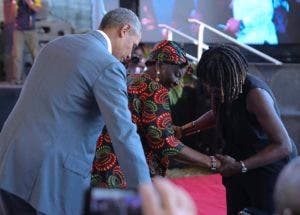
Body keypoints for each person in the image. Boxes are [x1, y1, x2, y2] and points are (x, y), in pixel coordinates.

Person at [0, 8, 152, 215]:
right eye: (132, 46)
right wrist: (146, 193)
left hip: (10, 160)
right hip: (51, 179)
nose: (128, 55)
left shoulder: (55, 45)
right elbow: (123, 133)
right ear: (124, 30)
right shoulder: (108, 66)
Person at [175, 45, 295, 214]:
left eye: (214, 85)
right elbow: (215, 115)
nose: (210, 89)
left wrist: (241, 166)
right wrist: (184, 130)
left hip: (266, 168)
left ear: (228, 77)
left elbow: (283, 146)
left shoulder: (256, 95)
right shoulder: (221, 89)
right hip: (236, 164)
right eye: (208, 84)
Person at [91, 40, 220, 189]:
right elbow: (165, 143)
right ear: (159, 65)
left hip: (103, 164)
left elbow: (139, 124)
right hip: (126, 174)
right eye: (177, 74)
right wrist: (210, 161)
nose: (178, 82)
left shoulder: (131, 79)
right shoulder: (155, 90)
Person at [10, 0, 42, 85]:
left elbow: (37, 9)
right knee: (17, 55)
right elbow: (13, 14)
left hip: (31, 30)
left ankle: (39, 78)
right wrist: (14, 4)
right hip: (18, 30)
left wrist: (29, 2)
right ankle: (17, 79)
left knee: (36, 54)